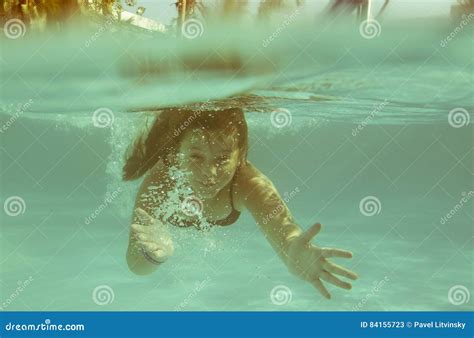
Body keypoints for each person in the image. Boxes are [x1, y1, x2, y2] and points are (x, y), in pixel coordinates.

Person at [123, 107, 357, 299]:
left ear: (241, 155)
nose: (209, 172)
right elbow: (135, 265)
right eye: (195, 156)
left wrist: (291, 251)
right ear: (176, 155)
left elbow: (284, 231)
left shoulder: (248, 184)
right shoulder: (161, 182)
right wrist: (153, 255)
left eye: (223, 158)